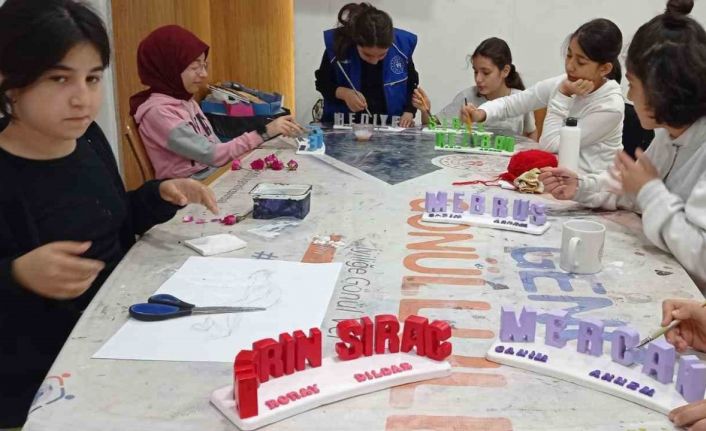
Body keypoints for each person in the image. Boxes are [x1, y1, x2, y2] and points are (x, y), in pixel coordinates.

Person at [0, 1, 217, 426]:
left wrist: (158, 195)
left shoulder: (88, 140)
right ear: (9, 82)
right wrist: (17, 275)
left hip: (122, 333)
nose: (83, 99)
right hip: (45, 381)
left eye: (93, 78)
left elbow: (112, 223)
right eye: (59, 78)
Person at [540, 0, 706, 291]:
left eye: (633, 84)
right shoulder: (669, 135)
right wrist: (581, 186)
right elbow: (629, 191)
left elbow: (700, 254)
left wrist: (650, 190)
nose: (629, 95)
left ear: (661, 89)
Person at [131, 25, 303, 180]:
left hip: (212, 175)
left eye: (204, 65)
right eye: (194, 67)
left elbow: (216, 146)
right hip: (190, 190)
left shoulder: (185, 100)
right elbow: (212, 154)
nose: (204, 74)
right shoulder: (159, 113)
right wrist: (265, 131)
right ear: (169, 69)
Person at [464, 19, 625, 174]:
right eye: (569, 55)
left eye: (581, 62)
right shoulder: (564, 82)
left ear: (604, 69)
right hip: (559, 178)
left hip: (590, 186)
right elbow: (513, 103)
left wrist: (563, 95)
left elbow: (550, 145)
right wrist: (481, 113)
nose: (570, 66)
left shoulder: (610, 107)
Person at [314, 2, 419, 127]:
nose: (375, 61)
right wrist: (344, 93)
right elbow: (322, 82)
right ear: (355, 42)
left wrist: (409, 111)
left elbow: (412, 84)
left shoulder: (401, 48)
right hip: (345, 125)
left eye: (382, 55)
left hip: (389, 127)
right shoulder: (339, 46)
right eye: (367, 55)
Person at [413, 37, 537, 139]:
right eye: (475, 72)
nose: (478, 79)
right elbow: (433, 126)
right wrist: (425, 111)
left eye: (486, 73)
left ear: (505, 71)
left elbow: (531, 132)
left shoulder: (520, 99)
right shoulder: (466, 97)